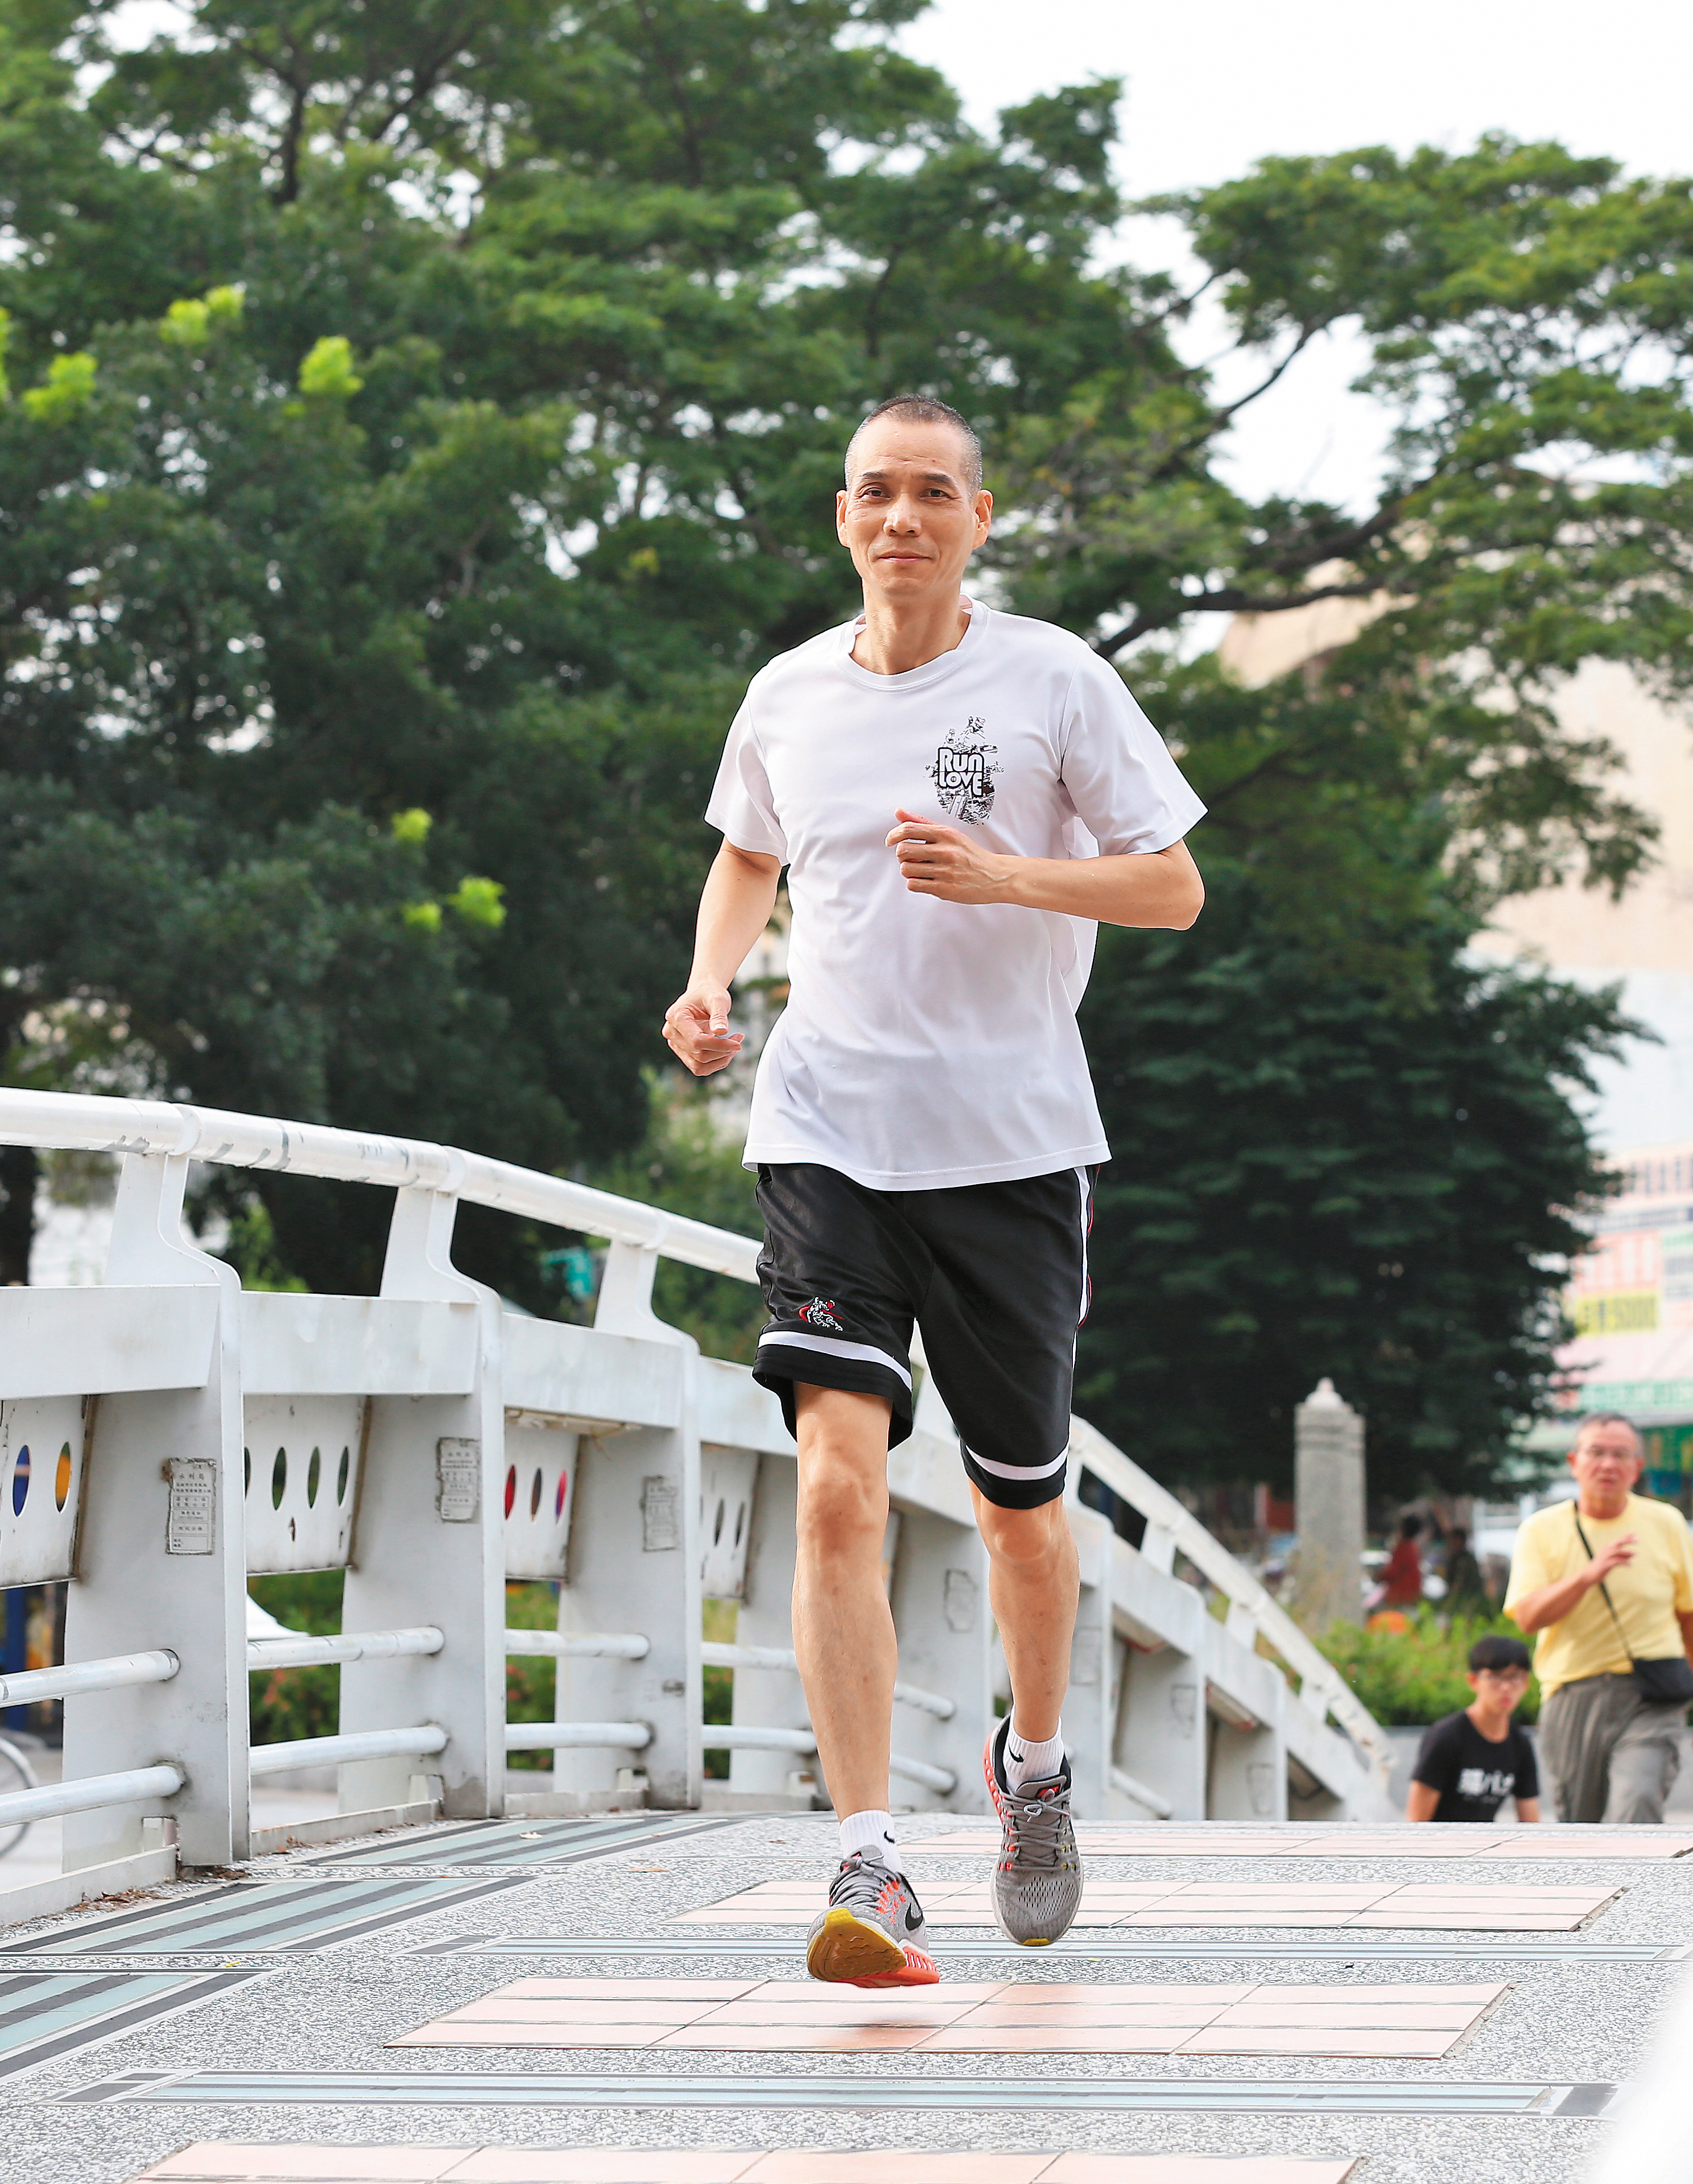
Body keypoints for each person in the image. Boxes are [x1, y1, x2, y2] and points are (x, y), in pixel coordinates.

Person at [662, 393, 1207, 1988]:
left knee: (1018, 1515)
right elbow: (748, 851)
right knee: (834, 1482)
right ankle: (868, 1858)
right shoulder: (786, 693)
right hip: (825, 1129)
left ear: (978, 517)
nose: (899, 517)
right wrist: (709, 981)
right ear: (841, 517)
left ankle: (1032, 1767)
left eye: (930, 493)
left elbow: (1172, 884)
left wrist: (1010, 874)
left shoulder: (1052, 679)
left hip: (1012, 1150)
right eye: (873, 493)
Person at [1504, 1412, 1693, 1823]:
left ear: (1637, 1467)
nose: (1608, 1464)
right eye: (1596, 1453)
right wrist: (1587, 1577)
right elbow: (1528, 1618)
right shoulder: (1540, 1530)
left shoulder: (1665, 1522)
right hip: (1573, 1693)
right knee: (1580, 1825)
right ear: (1574, 1462)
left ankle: (1639, 1870)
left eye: (1621, 1455)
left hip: (1652, 1693)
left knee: (1637, 1802)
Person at [1407, 1634, 1545, 1823]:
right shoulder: (1446, 1737)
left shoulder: (1520, 1744)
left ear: (1527, 1684)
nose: (1506, 1688)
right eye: (1496, 1677)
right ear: (1473, 1680)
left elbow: (1530, 1820)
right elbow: (1416, 1822)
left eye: (1515, 1678)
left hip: (1484, 1840)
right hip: (1440, 1840)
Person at [1370, 1513, 1427, 1614]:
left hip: (1400, 1596)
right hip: (1411, 1595)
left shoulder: (1403, 1548)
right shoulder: (1414, 1548)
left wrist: (1378, 1577)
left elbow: (1394, 1571)